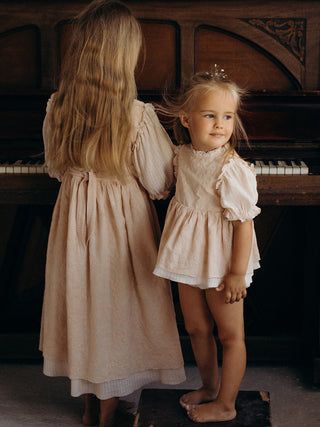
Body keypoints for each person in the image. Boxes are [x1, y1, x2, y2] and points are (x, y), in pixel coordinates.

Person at [39, 1, 186, 426]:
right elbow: (160, 183)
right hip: (119, 224)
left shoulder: (56, 105)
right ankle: (107, 410)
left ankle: (90, 402)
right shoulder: (137, 115)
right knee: (116, 307)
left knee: (84, 302)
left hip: (73, 217)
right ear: (124, 55)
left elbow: (55, 168)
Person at [153, 69, 261, 423]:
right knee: (197, 327)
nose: (220, 124)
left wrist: (236, 273)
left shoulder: (232, 169)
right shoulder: (182, 154)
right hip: (188, 254)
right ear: (186, 118)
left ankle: (226, 404)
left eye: (228, 116)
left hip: (223, 260)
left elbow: (244, 225)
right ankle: (210, 386)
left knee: (231, 335)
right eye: (210, 115)